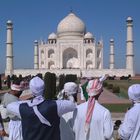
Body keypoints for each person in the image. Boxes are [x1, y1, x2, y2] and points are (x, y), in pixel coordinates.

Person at [7, 76, 76, 140]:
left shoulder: (23, 108)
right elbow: (72, 105)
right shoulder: (54, 105)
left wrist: (29, 102)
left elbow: (9, 106)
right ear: (44, 88)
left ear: (31, 90)